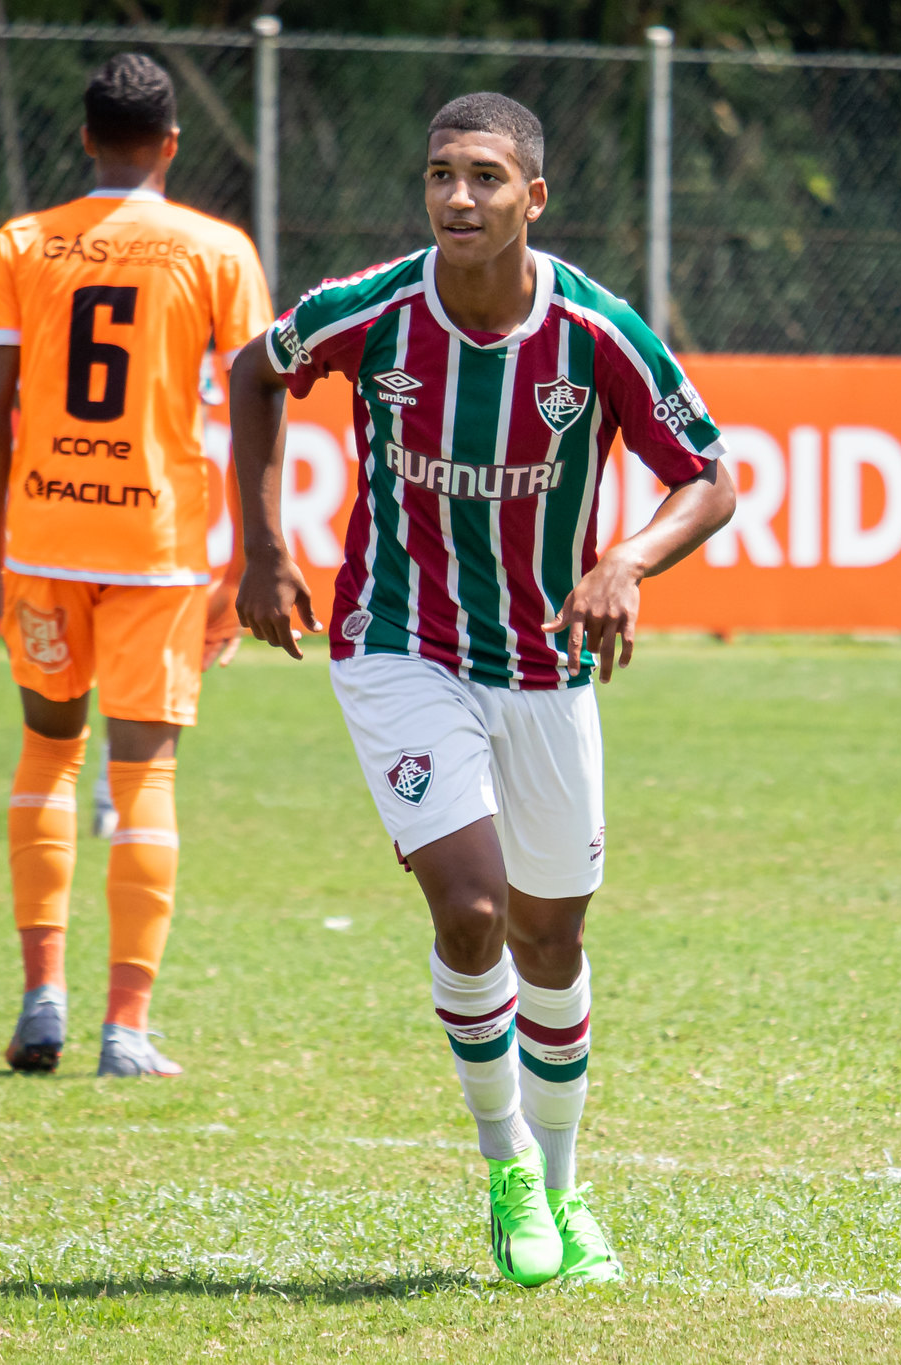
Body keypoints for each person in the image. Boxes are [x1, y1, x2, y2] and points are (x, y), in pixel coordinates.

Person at [225, 92, 736, 1286]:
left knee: (549, 937)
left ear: (532, 198)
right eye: (442, 174)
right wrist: (258, 549)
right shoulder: (372, 311)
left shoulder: (596, 334)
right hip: (394, 642)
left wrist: (624, 559)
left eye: (486, 178)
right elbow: (256, 372)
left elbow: (706, 477)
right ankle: (506, 1168)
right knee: (468, 911)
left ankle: (565, 1191)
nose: (459, 196)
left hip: (546, 665)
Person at [0, 52, 271, 1079]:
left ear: (87, 138)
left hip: (43, 541)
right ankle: (125, 1029)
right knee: (141, 773)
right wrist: (247, 560)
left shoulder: (22, 241)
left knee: (48, 754)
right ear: (171, 145)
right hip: (159, 547)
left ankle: (39, 1000)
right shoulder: (217, 249)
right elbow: (253, 411)